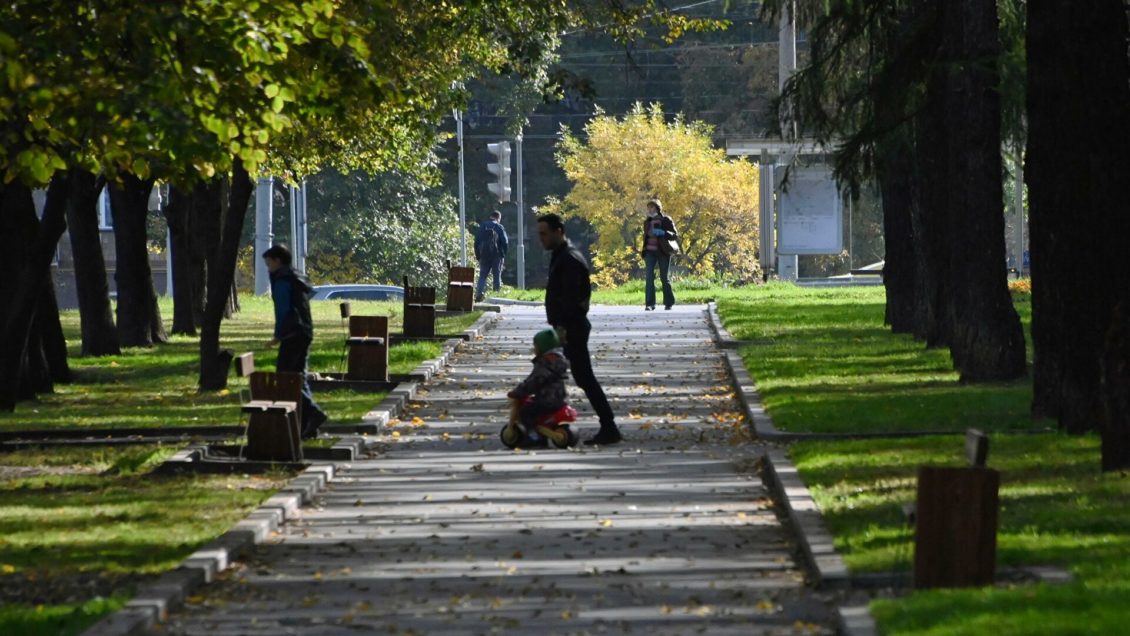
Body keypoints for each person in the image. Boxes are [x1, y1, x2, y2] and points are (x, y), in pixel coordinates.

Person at [536, 213, 622, 445]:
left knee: (584, 378)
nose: (541, 238)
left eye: (544, 234)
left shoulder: (570, 259)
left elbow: (573, 299)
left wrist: (563, 327)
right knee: (572, 376)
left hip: (572, 328)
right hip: (567, 327)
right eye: (540, 234)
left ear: (559, 231)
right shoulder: (561, 255)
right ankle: (550, 424)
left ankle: (609, 427)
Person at [262, 244, 328, 439]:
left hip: (292, 334)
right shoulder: (295, 277)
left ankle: (313, 413)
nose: (268, 268)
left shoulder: (283, 280)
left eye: (269, 264)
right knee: (298, 376)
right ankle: (308, 425)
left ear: (277, 261)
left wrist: (277, 336)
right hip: (304, 331)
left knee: (287, 378)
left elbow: (283, 310)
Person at [505, 329, 570, 449]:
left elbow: (534, 381)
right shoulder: (558, 361)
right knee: (535, 410)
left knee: (525, 413)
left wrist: (518, 392)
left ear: (542, 347)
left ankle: (534, 437)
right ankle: (542, 433)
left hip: (547, 399)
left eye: (535, 346)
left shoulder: (544, 363)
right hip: (560, 398)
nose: (534, 349)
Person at [640, 199, 678, 310]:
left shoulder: (666, 220)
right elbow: (645, 237)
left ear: (657, 208)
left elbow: (675, 235)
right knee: (649, 277)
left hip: (663, 252)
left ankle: (669, 302)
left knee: (664, 278)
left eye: (652, 207)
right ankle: (650, 304)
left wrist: (663, 233)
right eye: (648, 207)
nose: (649, 209)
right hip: (649, 252)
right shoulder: (647, 221)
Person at [474, 211, 509, 302]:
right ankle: (496, 295)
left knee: (482, 275)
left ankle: (479, 293)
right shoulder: (499, 227)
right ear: (498, 218)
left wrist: (478, 255)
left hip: (484, 255)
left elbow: (476, 241)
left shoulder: (482, 226)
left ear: (490, 216)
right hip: (497, 255)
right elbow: (505, 242)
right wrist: (503, 254)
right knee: (497, 275)